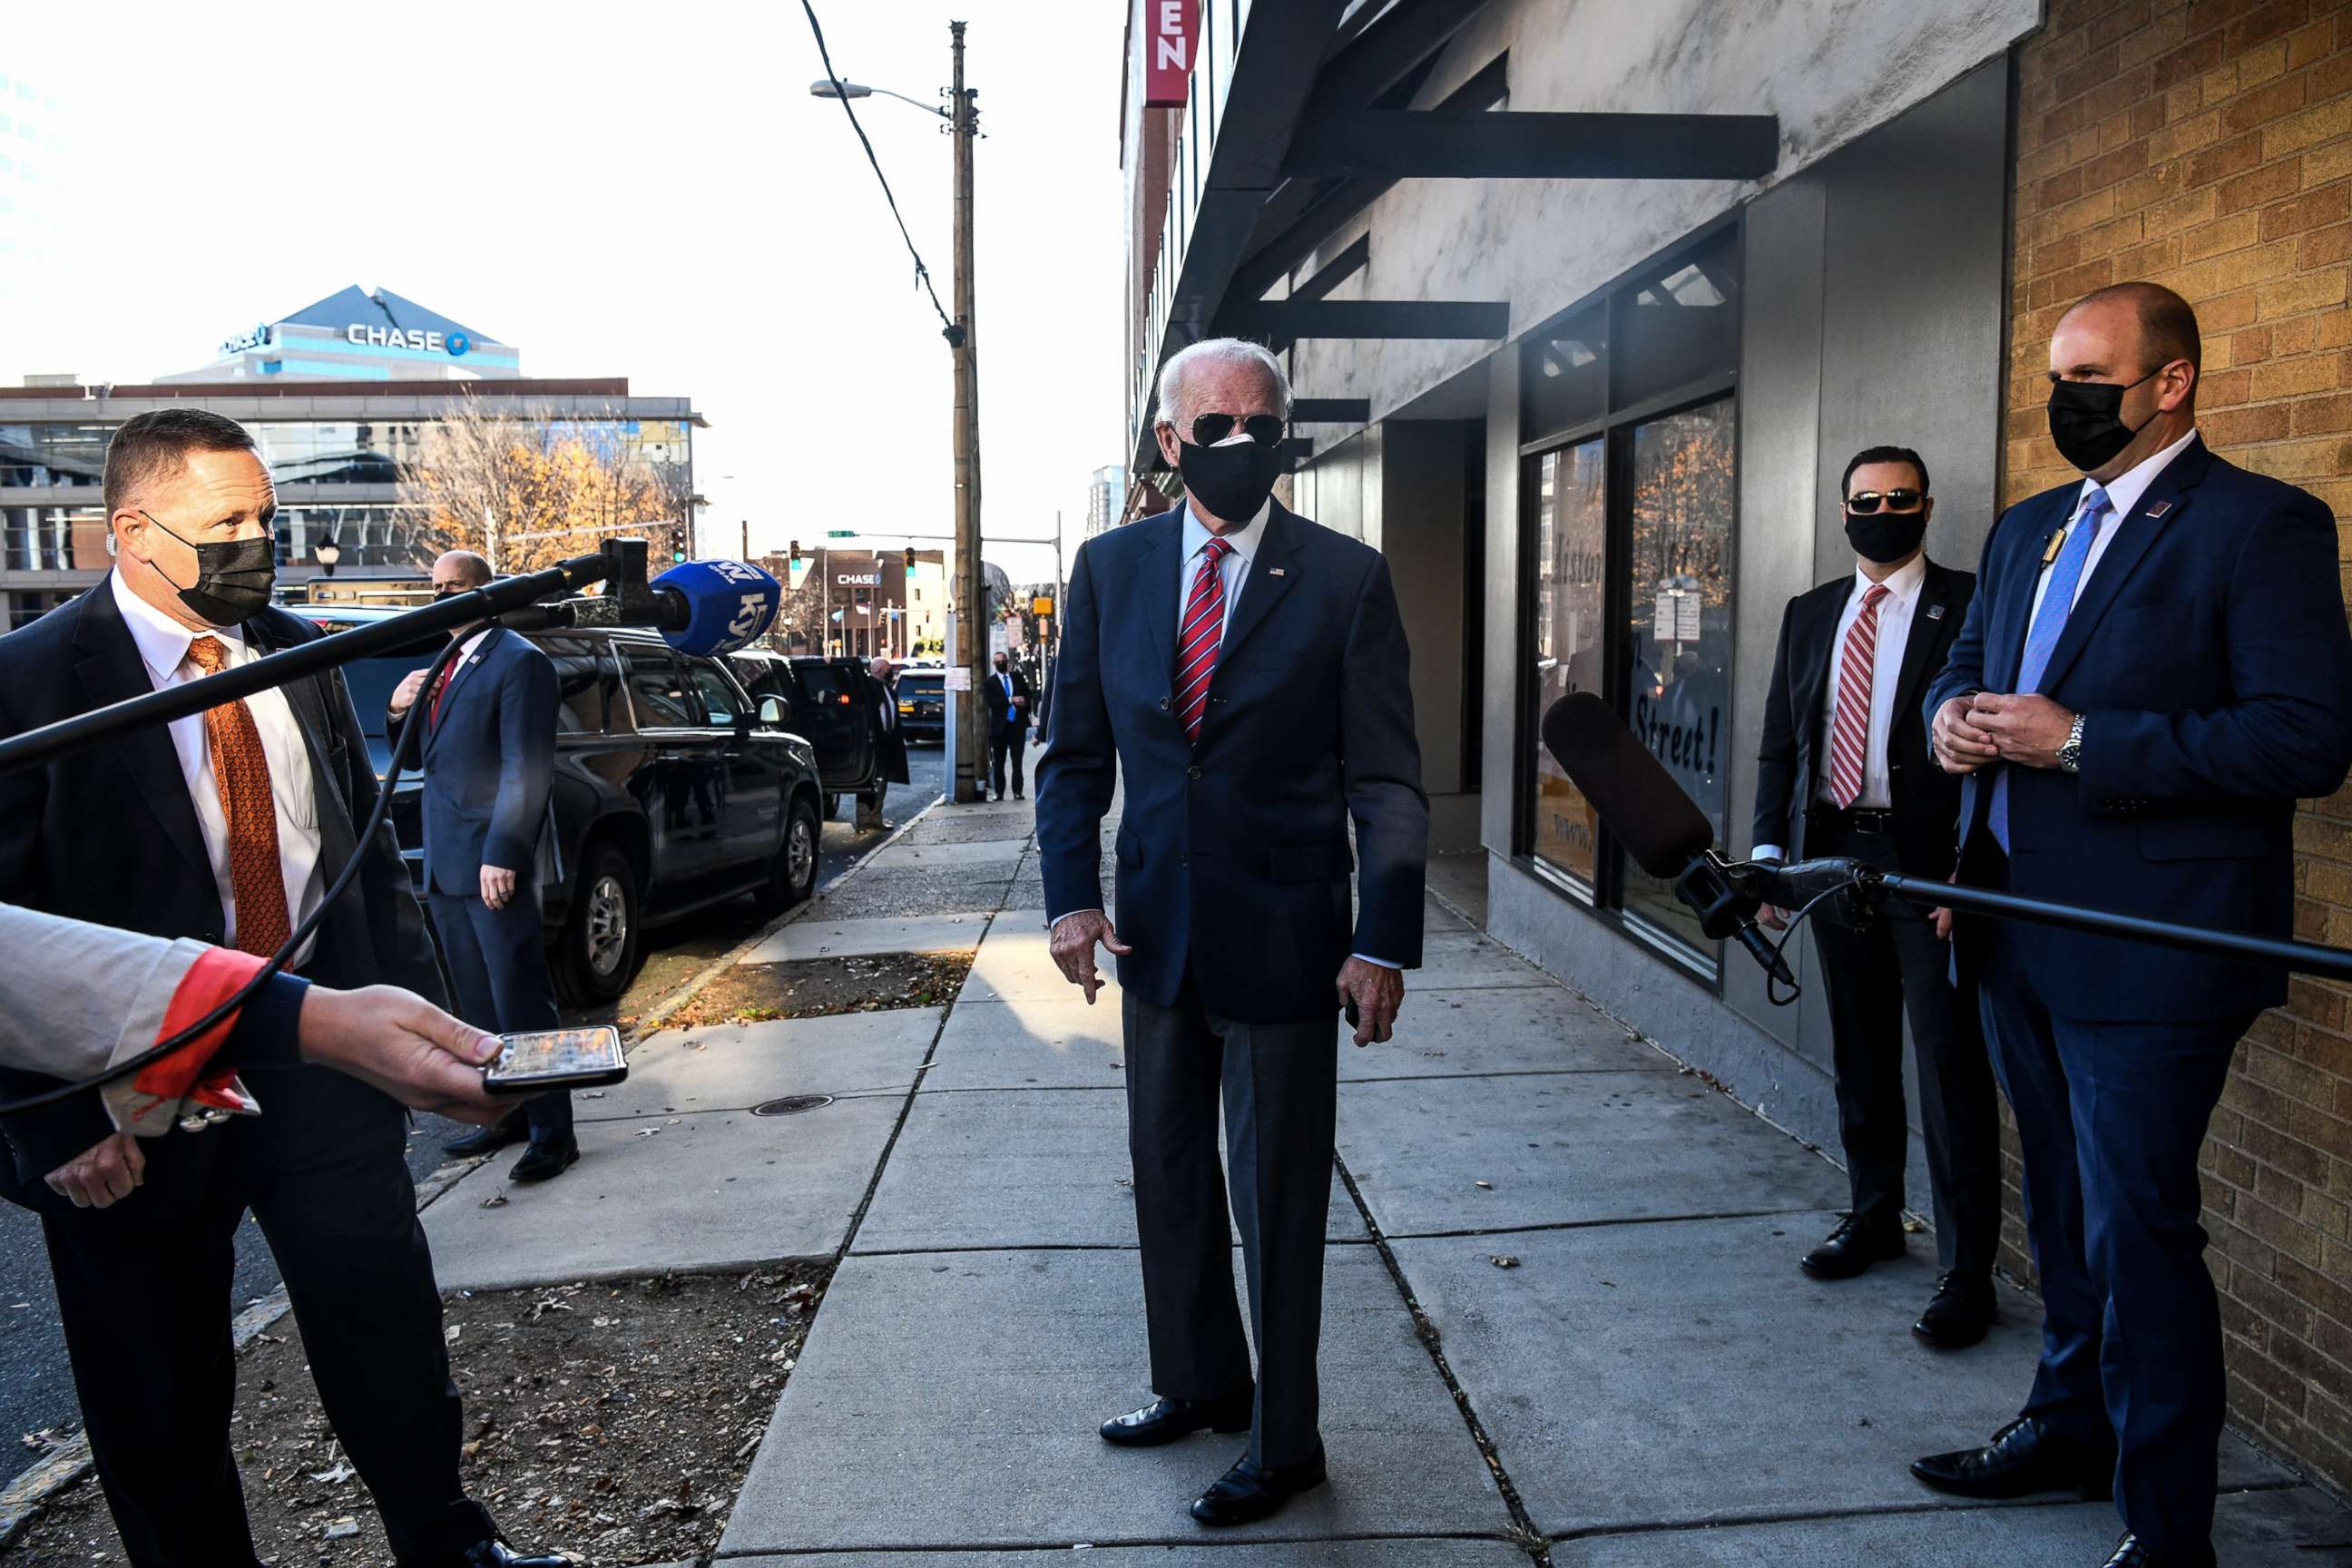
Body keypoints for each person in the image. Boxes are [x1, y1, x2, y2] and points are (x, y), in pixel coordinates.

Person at [0, 408, 564, 1568]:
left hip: (326, 1064)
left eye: (269, 515)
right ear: (132, 532)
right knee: (158, 1396)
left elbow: (364, 868)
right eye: (229, 522)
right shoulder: (32, 680)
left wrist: (440, 1041)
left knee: (389, 1335)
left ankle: (449, 1546)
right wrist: (51, 1119)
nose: (260, 539)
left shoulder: (293, 646)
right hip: (134, 1101)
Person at [1916, 283, 2352, 1568]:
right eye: (2057, 376)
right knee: (2057, 1211)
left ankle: (2166, 1530)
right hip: (2010, 925)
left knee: (2138, 1229)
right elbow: (1975, 661)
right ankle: (2069, 1421)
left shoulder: (2259, 526)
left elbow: (2306, 738)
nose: (2066, 402)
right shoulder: (2027, 527)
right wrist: (1952, 717)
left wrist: (2082, 740)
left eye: (2092, 378)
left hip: (2157, 949)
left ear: (2173, 384)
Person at [1036, 338, 1428, 1527]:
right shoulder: (1111, 570)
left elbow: (1389, 781)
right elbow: (1072, 757)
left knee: (1278, 1198)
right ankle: (1200, 1382)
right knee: (1169, 1178)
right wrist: (1070, 897)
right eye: (1216, 427)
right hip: (1155, 933)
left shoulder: (1346, 579)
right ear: (1169, 443)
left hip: (1288, 938)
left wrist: (1383, 938)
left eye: (1264, 422)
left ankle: (1288, 1441)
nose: (1243, 443)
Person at [1750, 446, 2001, 1348]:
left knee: (1950, 1071)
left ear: (1926, 507)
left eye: (1901, 498)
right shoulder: (1812, 611)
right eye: (1867, 499)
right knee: (1860, 1054)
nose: (1882, 510)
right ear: (1843, 507)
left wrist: (1970, 875)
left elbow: (1993, 751)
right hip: (1835, 859)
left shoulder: (1972, 601)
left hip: (1929, 869)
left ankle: (1967, 1272)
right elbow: (1783, 742)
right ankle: (1874, 1216)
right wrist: (1771, 856)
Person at [0, 900, 511, 1155]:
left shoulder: (302, 688)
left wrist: (416, 1024)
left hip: (344, 1068)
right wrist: (63, 1127)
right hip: (136, 1117)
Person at [390, 551, 574, 1184]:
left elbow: (527, 767)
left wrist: (505, 851)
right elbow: (419, 757)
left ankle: (554, 1132)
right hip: (445, 863)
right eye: (436, 589)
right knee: (474, 1006)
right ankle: (506, 1114)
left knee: (521, 998)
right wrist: (397, 707)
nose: (444, 599)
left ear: (487, 594)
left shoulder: (519, 661)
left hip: (493, 863)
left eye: (458, 588)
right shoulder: (444, 662)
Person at [858, 654, 909, 829]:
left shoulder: (889, 690)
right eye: (888, 669)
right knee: (869, 782)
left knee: (882, 781)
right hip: (873, 743)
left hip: (888, 742)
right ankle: (863, 819)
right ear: (880, 671)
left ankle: (876, 817)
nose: (891, 672)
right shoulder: (868, 688)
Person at [987, 649, 1034, 799]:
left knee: (1017, 760)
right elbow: (991, 701)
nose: (1002, 663)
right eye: (998, 661)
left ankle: (1017, 791)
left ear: (1008, 662)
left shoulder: (1017, 677)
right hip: (1000, 726)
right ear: (994, 664)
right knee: (999, 762)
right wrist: (1010, 700)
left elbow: (1028, 694)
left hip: (1017, 725)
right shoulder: (990, 682)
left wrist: (1024, 702)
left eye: (1004, 661)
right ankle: (999, 792)